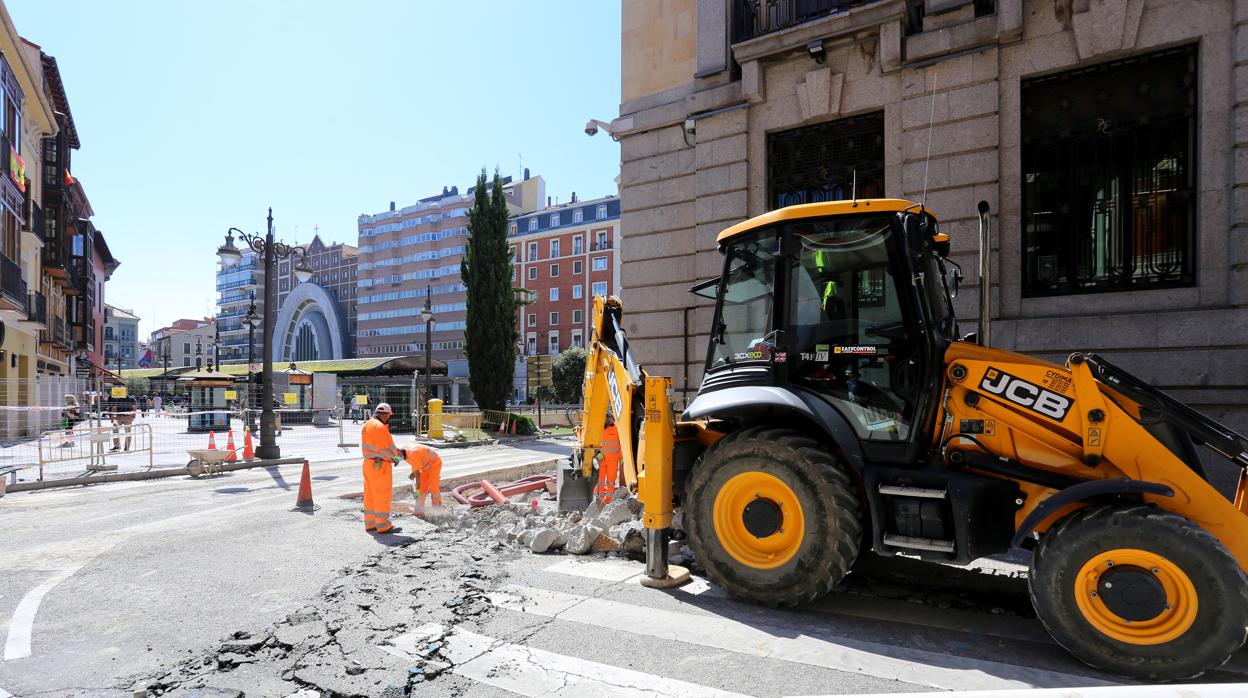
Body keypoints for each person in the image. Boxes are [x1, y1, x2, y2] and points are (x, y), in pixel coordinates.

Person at [360, 403, 403, 534]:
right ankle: (383, 525)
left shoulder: (368, 424)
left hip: (369, 464)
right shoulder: (379, 427)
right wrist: (395, 458)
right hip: (380, 465)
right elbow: (385, 449)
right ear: (385, 415)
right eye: (389, 416)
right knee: (382, 495)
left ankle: (371, 523)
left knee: (371, 495)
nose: (389, 418)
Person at [403, 441, 444, 516]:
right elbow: (417, 465)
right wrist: (413, 473)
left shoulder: (412, 454)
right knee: (423, 488)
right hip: (425, 467)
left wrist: (417, 492)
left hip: (434, 464)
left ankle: (438, 510)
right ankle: (419, 511)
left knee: (433, 487)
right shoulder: (405, 451)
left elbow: (418, 477)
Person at [594, 415, 622, 503]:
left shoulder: (617, 428)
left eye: (607, 419)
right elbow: (594, 443)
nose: (606, 421)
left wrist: (621, 457)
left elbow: (621, 444)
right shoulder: (599, 429)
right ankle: (599, 498)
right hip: (601, 460)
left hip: (613, 460)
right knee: (600, 480)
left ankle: (608, 499)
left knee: (611, 481)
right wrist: (596, 454)